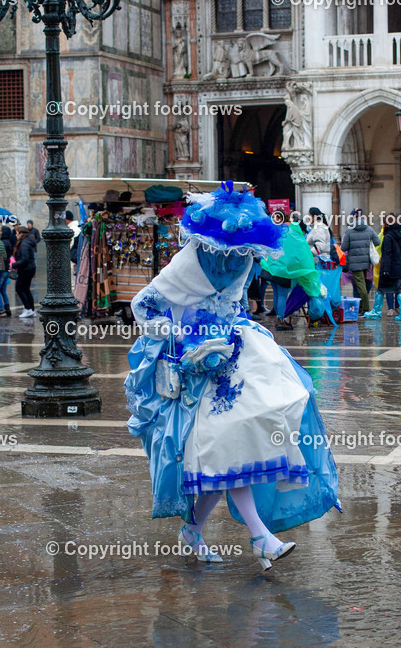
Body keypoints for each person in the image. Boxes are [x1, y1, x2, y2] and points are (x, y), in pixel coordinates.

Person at [125, 182, 339, 570]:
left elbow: (235, 303)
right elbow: (143, 306)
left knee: (253, 432)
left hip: (237, 353)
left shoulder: (242, 259)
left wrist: (235, 327)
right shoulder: (188, 264)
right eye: (229, 250)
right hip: (198, 369)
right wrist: (180, 335)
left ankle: (199, 532)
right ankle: (260, 538)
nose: (234, 259)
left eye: (243, 251)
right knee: (227, 449)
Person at [363, 218, 401, 321]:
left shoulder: (388, 237)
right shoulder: (398, 235)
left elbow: (387, 254)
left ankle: (376, 311)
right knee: (399, 290)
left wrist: (385, 270)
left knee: (381, 289)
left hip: (389, 269)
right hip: (398, 268)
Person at [339, 210, 380, 313]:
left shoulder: (349, 231)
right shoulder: (369, 229)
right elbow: (377, 242)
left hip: (354, 263)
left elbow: (343, 248)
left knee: (360, 286)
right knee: (362, 285)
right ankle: (361, 307)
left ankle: (365, 308)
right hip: (366, 262)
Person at [13, 227, 38, 318]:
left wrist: (14, 265)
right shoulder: (27, 242)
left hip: (25, 270)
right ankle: (31, 309)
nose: (16, 235)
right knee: (26, 289)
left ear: (21, 234)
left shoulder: (24, 244)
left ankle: (28, 309)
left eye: (17, 233)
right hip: (29, 269)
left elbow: (25, 259)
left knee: (19, 289)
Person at [0, 225, 15, 317]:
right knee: (3, 290)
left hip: (1, 268)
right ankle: (7, 307)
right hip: (7, 268)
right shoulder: (9, 242)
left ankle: (1, 308)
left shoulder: (2, 243)